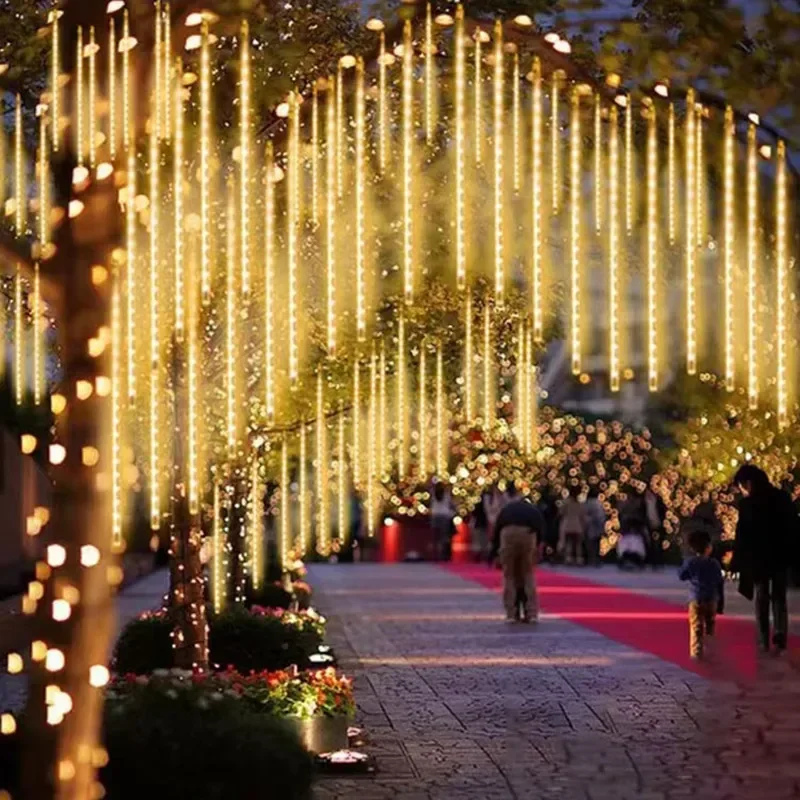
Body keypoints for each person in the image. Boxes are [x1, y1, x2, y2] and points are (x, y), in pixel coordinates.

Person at [732, 464, 796, 654]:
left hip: (758, 557)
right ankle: (780, 634)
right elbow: (792, 526)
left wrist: (739, 559)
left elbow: (742, 534)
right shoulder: (782, 497)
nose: (742, 490)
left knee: (762, 596)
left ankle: (763, 637)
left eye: (742, 485)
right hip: (779, 555)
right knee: (779, 596)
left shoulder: (747, 504)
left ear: (749, 483)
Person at [489, 485, 543, 623]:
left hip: (507, 534)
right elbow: (541, 528)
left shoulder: (507, 509)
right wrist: (539, 547)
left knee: (509, 575)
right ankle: (531, 613)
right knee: (527, 574)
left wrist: (494, 552)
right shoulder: (532, 509)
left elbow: (496, 531)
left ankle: (511, 614)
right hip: (528, 534)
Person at [679, 529, 725, 659]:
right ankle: (710, 648)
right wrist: (721, 602)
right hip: (712, 598)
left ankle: (696, 652)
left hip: (696, 598)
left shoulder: (691, 562)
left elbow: (682, 575)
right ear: (708, 547)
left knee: (696, 626)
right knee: (710, 624)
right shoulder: (714, 563)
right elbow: (719, 583)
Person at [559, 485, 587, 565]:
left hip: (567, 524)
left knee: (568, 542)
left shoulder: (565, 503)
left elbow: (561, 513)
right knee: (578, 543)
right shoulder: (580, 504)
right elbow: (582, 515)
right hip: (577, 525)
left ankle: (568, 558)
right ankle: (579, 559)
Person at [430, 482, 456, 561]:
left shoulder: (433, 494)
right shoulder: (447, 495)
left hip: (435, 515)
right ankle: (444, 555)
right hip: (445, 515)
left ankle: (435, 555)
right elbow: (452, 505)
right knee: (444, 537)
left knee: (436, 537)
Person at [584, 487, 606, 567]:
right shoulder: (598, 503)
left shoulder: (587, 503)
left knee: (590, 543)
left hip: (589, 526)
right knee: (596, 544)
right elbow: (601, 516)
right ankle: (596, 559)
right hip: (597, 526)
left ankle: (591, 559)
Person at [470, 493, 490, 562]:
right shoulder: (487, 506)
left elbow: (473, 514)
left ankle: (479, 558)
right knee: (483, 542)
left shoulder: (478, 505)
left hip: (479, 525)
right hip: (482, 525)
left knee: (479, 542)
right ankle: (482, 557)